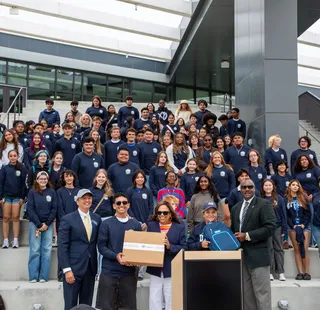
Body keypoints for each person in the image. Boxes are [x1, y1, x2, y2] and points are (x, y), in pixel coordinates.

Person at [230, 178, 276, 310]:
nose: (247, 190)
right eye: (244, 187)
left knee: (262, 296)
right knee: (247, 297)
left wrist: (248, 236)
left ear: (254, 188)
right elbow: (234, 231)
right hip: (241, 258)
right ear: (240, 190)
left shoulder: (264, 204)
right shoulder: (235, 208)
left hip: (258, 257)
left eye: (250, 187)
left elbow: (270, 227)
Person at [96, 193, 141, 310]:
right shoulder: (106, 224)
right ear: (114, 206)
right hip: (109, 272)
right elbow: (101, 247)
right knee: (107, 307)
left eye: (124, 203)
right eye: (118, 203)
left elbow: (139, 248)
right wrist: (115, 256)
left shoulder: (136, 224)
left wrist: (136, 260)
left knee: (128, 307)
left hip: (128, 273)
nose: (122, 205)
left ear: (129, 205)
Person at [58, 189, 101, 310]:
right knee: (70, 305)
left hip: (90, 269)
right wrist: (66, 270)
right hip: (73, 269)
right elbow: (62, 246)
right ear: (77, 201)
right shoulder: (68, 219)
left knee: (86, 306)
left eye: (89, 198)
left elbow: (101, 240)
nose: (87, 200)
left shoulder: (96, 218)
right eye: (84, 198)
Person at [147, 201, 187, 310]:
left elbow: (184, 247)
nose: (161, 215)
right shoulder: (151, 226)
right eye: (159, 213)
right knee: (154, 298)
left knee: (170, 299)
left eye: (165, 213)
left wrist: (170, 247)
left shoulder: (179, 227)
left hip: (171, 268)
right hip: (155, 268)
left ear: (170, 214)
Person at [28, 171, 57, 283]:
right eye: (41, 179)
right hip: (35, 225)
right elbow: (30, 209)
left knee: (46, 250)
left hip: (48, 225)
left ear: (47, 180)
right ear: (37, 179)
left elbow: (54, 208)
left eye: (45, 179)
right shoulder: (32, 192)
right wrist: (39, 224)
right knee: (35, 250)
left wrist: (47, 224)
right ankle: (33, 276)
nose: (43, 181)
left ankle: (43, 276)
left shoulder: (52, 192)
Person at [260, 179, 287, 281]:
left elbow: (283, 215)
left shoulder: (279, 198)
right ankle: (270, 272)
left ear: (273, 186)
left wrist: (284, 230)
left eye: (270, 185)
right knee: (269, 249)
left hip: (277, 227)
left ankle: (281, 272)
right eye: (266, 185)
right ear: (263, 187)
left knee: (278, 249)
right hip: (266, 228)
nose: (268, 187)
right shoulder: (260, 199)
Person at [285, 180, 311, 280]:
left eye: (297, 185)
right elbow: (286, 216)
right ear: (289, 186)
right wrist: (293, 225)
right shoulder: (286, 199)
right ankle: (300, 272)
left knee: (304, 248)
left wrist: (303, 224)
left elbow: (308, 213)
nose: (295, 187)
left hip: (304, 226)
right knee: (297, 249)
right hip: (292, 227)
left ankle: (307, 272)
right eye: (293, 185)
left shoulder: (304, 197)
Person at [0, 149, 27, 248]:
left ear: (17, 156)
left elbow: (24, 184)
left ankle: (15, 240)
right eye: (11, 156)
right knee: (6, 218)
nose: (13, 157)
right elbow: (1, 183)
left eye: (14, 155)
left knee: (16, 218)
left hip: (17, 197)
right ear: (8, 157)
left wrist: (22, 197)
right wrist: (0, 196)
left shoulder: (22, 168)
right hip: (6, 197)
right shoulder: (4, 168)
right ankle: (6, 240)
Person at [205, 151, 235, 226]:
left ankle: (227, 231)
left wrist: (229, 195)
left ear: (221, 159)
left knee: (227, 216)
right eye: (215, 158)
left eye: (218, 157)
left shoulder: (228, 168)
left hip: (225, 197)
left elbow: (232, 183)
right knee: (214, 217)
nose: (217, 159)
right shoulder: (208, 170)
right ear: (212, 159)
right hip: (213, 197)